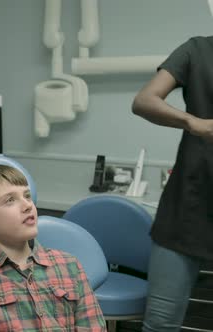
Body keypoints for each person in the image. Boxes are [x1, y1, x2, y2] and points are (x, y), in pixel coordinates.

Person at [0, 164, 106, 331]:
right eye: (10, 200)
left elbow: (94, 327)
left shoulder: (69, 265)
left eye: (27, 196)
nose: (28, 205)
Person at [132, 36, 213, 332]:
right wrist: (194, 123)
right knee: (160, 325)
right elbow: (144, 101)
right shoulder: (197, 50)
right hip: (186, 209)